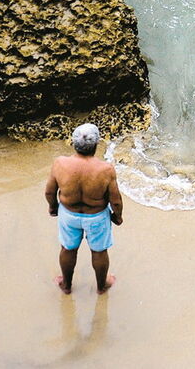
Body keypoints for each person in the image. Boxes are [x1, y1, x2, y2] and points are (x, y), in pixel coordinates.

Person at [45, 123, 123, 294]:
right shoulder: (105, 169)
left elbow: (50, 191)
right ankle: (102, 286)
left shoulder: (60, 163)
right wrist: (117, 217)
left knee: (68, 248)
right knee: (99, 251)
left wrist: (53, 207)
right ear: (96, 144)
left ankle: (66, 285)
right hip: (96, 216)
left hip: (68, 215)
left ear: (73, 143)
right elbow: (115, 200)